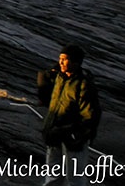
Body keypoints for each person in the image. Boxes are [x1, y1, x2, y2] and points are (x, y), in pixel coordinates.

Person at [41, 44, 102, 186]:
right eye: (60, 59)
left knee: (75, 178)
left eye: (64, 59)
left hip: (73, 138)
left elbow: (90, 116)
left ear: (75, 62)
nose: (60, 62)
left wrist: (77, 134)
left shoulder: (83, 85)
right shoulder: (59, 78)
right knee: (53, 175)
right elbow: (44, 85)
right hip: (55, 133)